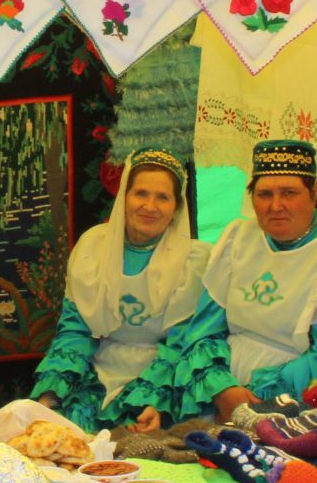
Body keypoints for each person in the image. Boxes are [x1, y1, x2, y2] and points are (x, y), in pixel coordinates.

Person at [152, 139, 317, 421]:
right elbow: (204, 330)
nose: (276, 205)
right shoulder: (238, 239)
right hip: (218, 392)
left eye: (289, 193)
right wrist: (221, 387)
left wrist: (251, 395)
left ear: (314, 193)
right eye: (264, 194)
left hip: (294, 400)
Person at [31, 148, 210, 432]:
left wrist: (157, 401)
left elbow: (185, 342)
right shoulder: (93, 247)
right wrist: (50, 394)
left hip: (162, 378)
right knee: (61, 437)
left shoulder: (195, 260)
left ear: (177, 207)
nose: (149, 206)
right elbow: (75, 329)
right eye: (141, 194)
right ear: (124, 197)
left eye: (162, 197)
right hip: (96, 372)